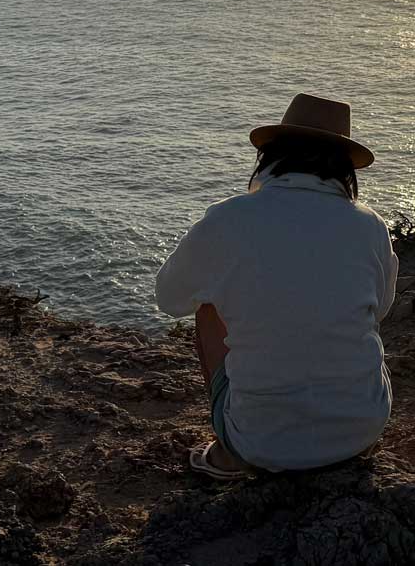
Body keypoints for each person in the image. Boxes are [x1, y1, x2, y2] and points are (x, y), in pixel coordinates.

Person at [156, 93, 398, 478]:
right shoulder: (371, 226)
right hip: (362, 431)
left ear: (270, 155)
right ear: (345, 167)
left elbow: (170, 298)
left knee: (207, 303)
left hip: (260, 444)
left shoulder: (228, 218)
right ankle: (339, 431)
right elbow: (380, 310)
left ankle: (230, 451)